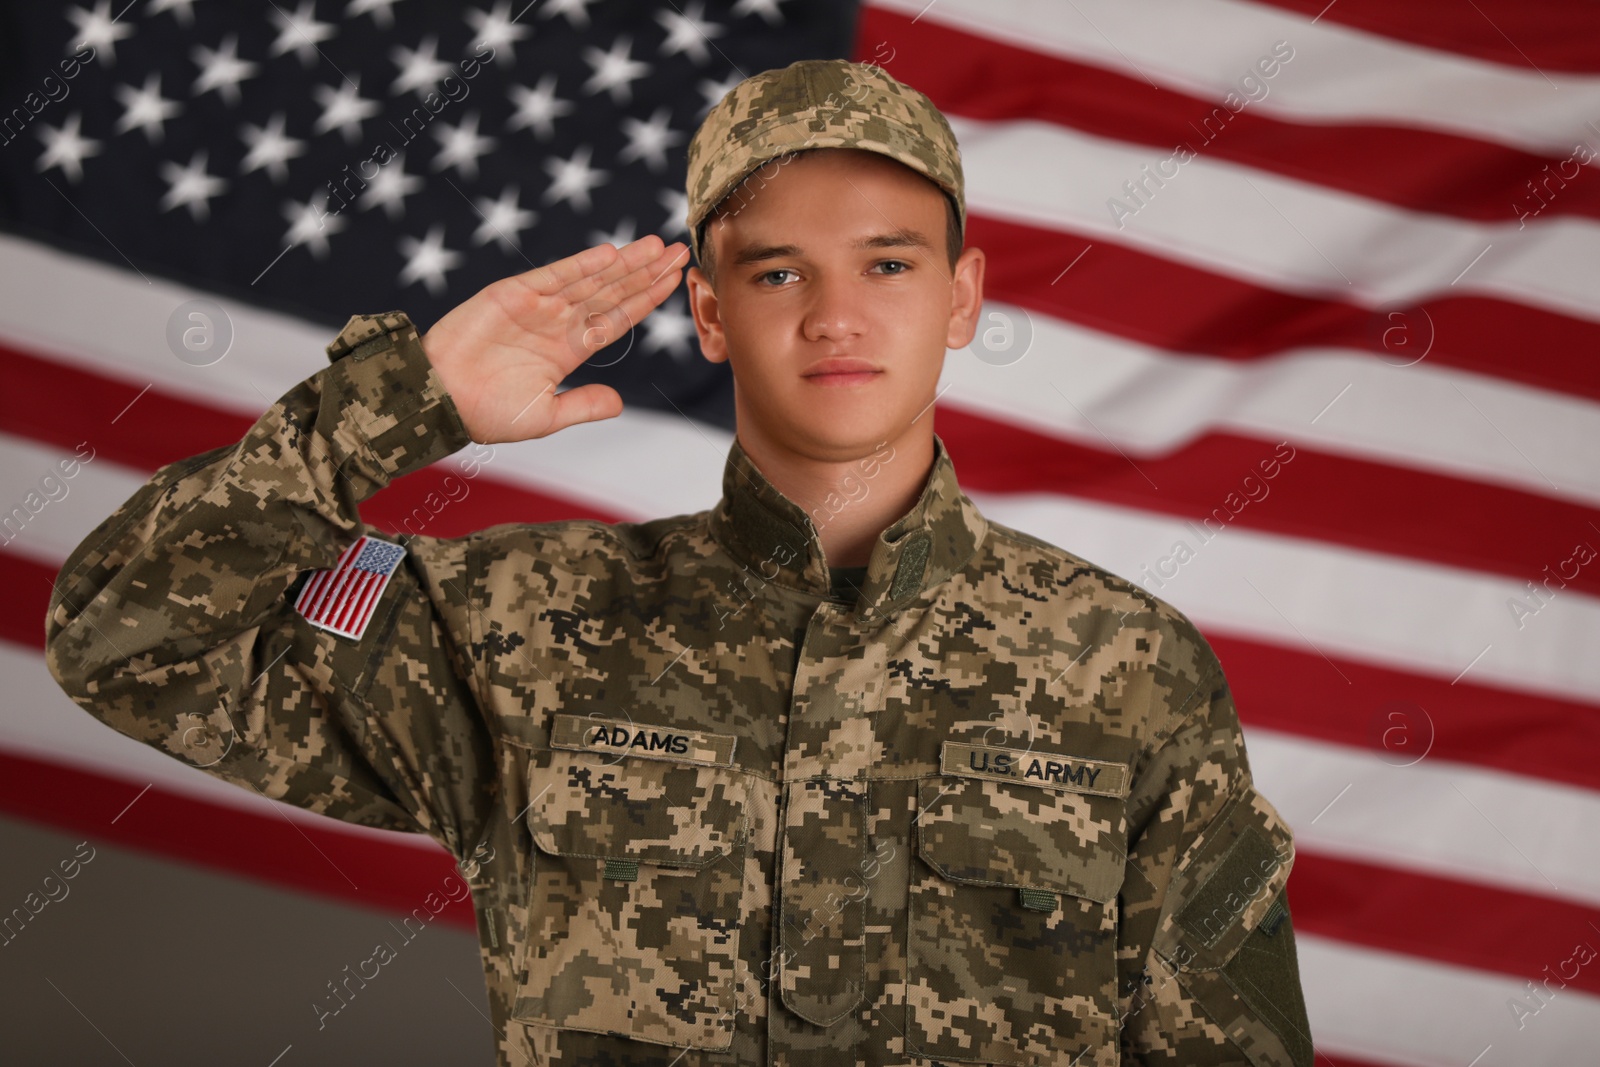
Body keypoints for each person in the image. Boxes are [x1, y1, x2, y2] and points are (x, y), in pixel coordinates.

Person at [44, 58, 1312, 1066]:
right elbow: (125, 633)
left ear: (962, 296)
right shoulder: (525, 624)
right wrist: (407, 399)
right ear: (708, 310)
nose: (835, 314)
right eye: (776, 271)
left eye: (888, 262)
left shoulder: (1128, 666)